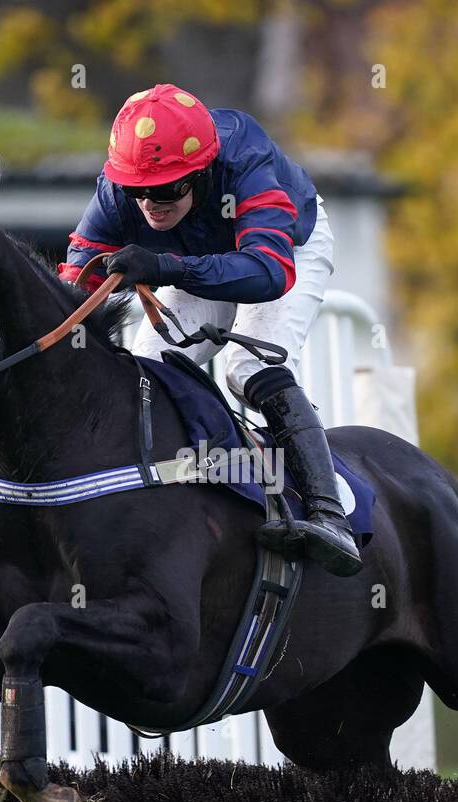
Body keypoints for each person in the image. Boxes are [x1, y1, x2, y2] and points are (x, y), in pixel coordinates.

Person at [57, 83, 361, 577]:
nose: (151, 204)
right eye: (139, 192)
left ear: (201, 172)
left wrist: (165, 268)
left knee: (248, 370)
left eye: (169, 189)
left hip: (285, 249)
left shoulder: (245, 158)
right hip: (197, 255)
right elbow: (73, 283)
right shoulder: (119, 187)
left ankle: (331, 515)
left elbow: (267, 272)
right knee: (148, 374)